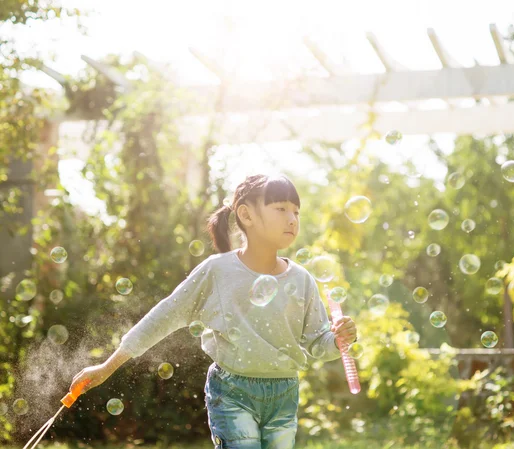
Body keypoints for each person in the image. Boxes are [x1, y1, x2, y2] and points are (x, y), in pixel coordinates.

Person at [69, 174, 358, 449]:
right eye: (281, 208)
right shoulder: (217, 272)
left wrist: (339, 340)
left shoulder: (301, 279)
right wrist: (107, 366)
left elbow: (318, 343)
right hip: (233, 392)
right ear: (246, 215)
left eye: (296, 211)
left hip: (284, 393)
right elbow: (163, 316)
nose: (292, 218)